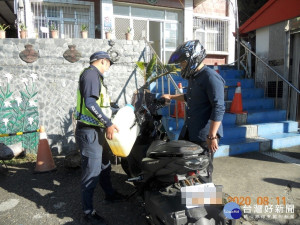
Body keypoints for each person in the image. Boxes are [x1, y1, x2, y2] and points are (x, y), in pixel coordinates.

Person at [162, 40, 225, 183]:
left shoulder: (211, 77)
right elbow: (189, 97)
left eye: (183, 63)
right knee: (185, 166)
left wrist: (212, 136)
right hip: (190, 130)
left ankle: (206, 203)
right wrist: (171, 97)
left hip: (204, 136)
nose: (181, 66)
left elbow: (219, 107)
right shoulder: (194, 76)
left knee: (202, 171)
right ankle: (189, 200)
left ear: (194, 59)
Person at [75, 51, 126, 224]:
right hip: (89, 132)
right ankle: (88, 213)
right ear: (103, 61)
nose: (109, 68)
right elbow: (90, 103)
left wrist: (113, 111)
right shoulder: (91, 74)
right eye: (109, 64)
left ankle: (110, 195)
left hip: (97, 131)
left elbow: (100, 104)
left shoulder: (95, 76)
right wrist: (107, 123)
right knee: (92, 172)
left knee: (105, 166)